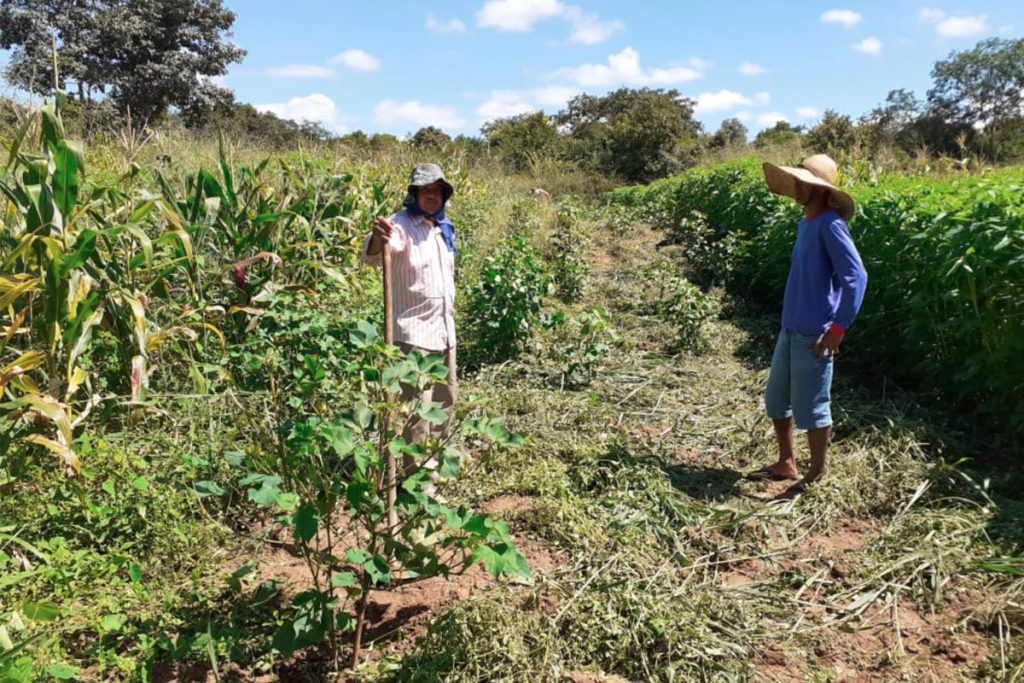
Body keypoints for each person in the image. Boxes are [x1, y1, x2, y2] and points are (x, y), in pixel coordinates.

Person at [747, 154, 868, 499]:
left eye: (803, 181)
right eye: (796, 180)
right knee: (776, 401)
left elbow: (856, 277)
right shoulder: (807, 223)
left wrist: (837, 329)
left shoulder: (830, 225)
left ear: (819, 189)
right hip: (790, 329)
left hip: (814, 334)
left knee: (813, 408)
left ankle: (816, 474)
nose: (797, 186)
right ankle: (787, 462)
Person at [362, 163, 457, 472]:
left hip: (444, 333)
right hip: (413, 335)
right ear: (414, 194)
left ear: (444, 194)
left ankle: (435, 465)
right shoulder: (399, 225)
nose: (431, 196)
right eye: (425, 190)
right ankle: (414, 480)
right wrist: (378, 237)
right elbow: (376, 254)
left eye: (437, 191)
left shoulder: (442, 228)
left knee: (444, 403)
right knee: (417, 410)